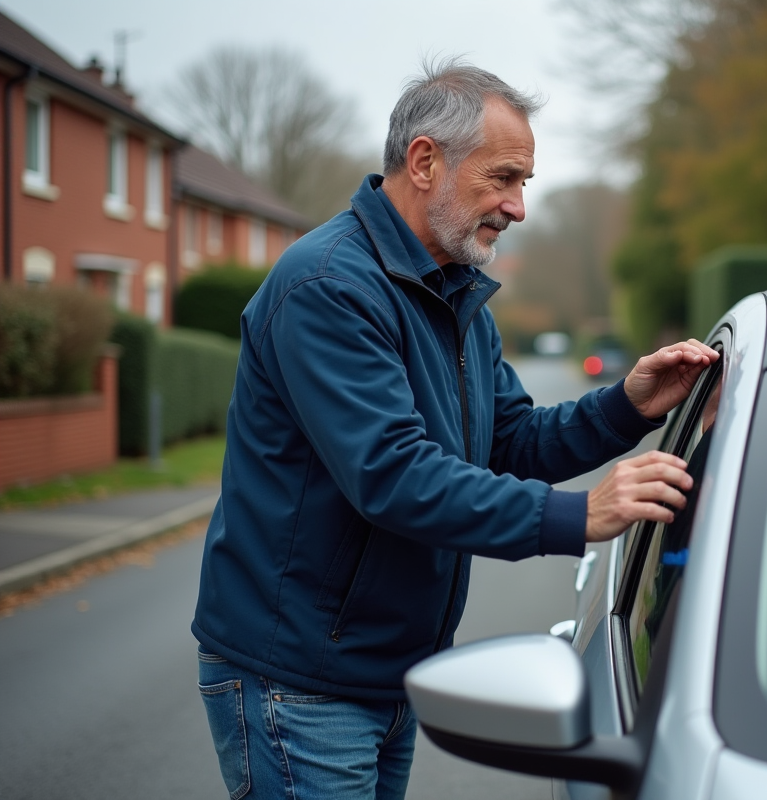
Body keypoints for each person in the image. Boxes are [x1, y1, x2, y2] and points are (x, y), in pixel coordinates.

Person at [191, 58, 717, 800]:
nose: (518, 206)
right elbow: (394, 476)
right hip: (300, 684)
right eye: (503, 178)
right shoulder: (328, 287)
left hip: (384, 673)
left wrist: (628, 406)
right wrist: (580, 515)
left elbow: (510, 440)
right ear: (426, 161)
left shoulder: (455, 290)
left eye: (524, 183)